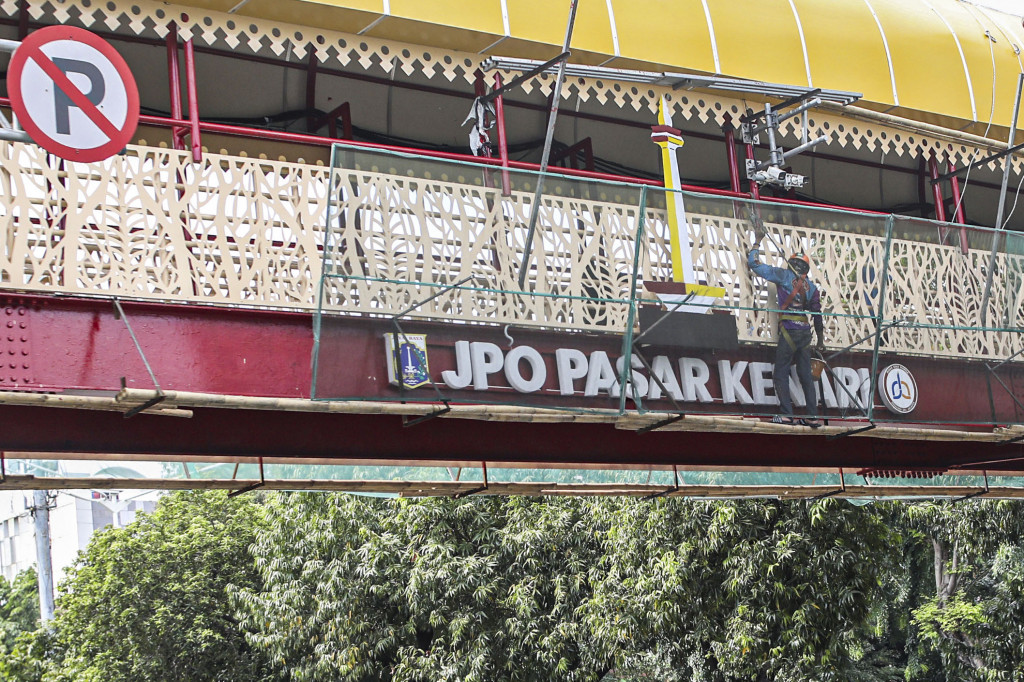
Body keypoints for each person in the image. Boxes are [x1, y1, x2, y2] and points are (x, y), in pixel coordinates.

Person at [747, 246, 825, 427]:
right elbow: (817, 314)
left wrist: (756, 245)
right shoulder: (812, 288)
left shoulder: (783, 276)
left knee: (781, 372)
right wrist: (820, 340)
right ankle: (812, 416)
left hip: (789, 330)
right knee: (805, 374)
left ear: (791, 264)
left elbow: (755, 265)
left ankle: (786, 415)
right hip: (805, 333)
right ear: (805, 269)